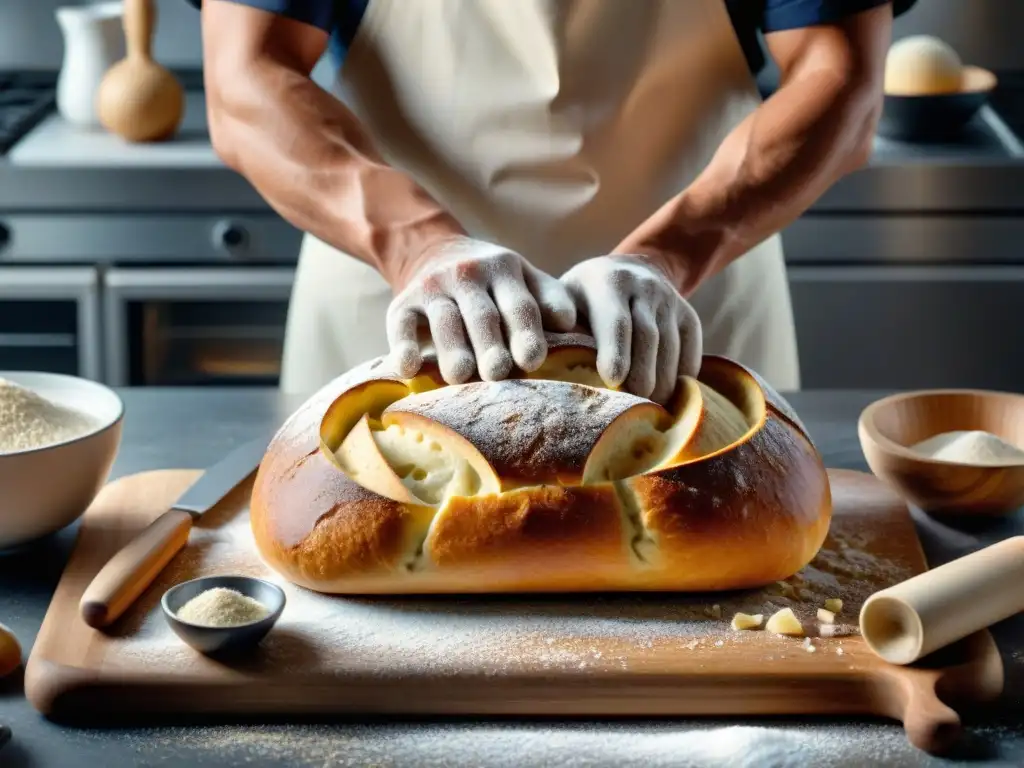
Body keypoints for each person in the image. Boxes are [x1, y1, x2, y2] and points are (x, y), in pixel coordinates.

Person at [188, 0, 915, 402]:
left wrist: (666, 257)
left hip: (690, 310)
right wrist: (421, 248)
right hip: (398, 308)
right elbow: (247, 77)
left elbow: (840, 78)